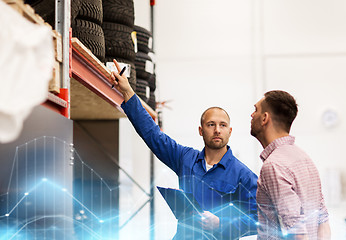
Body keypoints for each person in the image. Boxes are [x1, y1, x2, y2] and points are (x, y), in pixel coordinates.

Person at [111, 60, 258, 240]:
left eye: (223, 125)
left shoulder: (243, 175)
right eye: (211, 124)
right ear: (201, 130)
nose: (217, 130)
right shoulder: (185, 158)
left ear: (230, 131)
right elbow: (153, 135)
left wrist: (221, 223)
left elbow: (260, 219)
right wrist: (127, 91)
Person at [250, 90, 331, 239]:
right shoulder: (304, 157)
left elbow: (297, 233)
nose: (251, 115)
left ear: (264, 118)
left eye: (255, 110)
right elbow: (323, 221)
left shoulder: (273, 166)